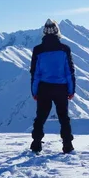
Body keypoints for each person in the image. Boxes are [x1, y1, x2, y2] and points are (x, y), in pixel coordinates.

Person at [29, 19, 76, 153]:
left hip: (44, 88)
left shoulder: (38, 50)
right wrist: (71, 90)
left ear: (44, 32)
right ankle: (67, 145)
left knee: (41, 117)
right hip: (61, 88)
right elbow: (69, 71)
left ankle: (36, 144)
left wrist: (34, 91)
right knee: (64, 117)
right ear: (57, 31)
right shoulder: (65, 49)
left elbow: (35, 73)